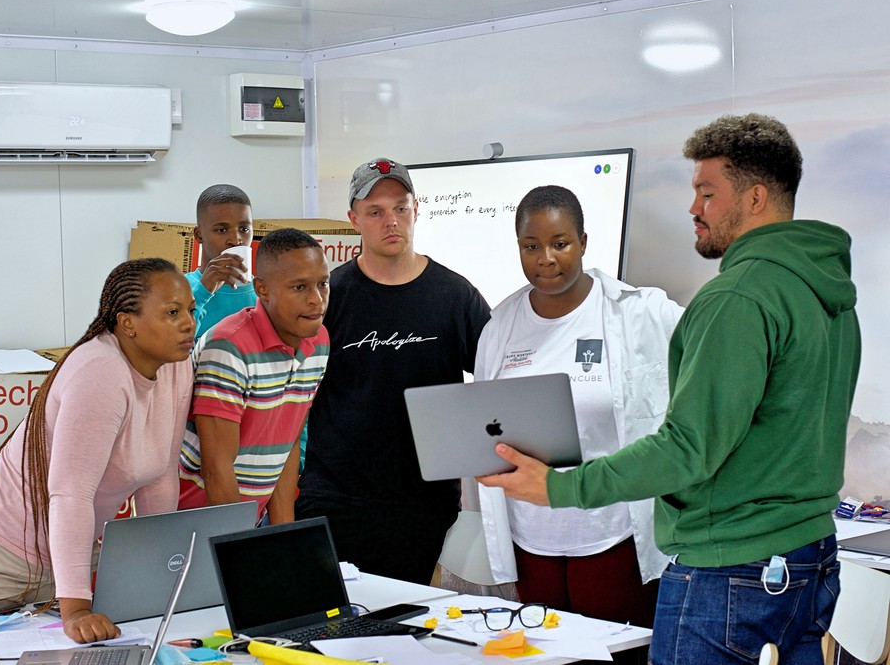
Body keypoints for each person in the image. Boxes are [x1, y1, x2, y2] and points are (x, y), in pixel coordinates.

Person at [480, 113, 861, 665]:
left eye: (707, 193)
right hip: (808, 555)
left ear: (754, 199)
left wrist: (562, 488)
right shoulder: (826, 292)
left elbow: (688, 448)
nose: (693, 208)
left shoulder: (736, 299)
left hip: (733, 563)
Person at [0, 258, 196, 644]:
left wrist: (158, 577)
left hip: (53, 558)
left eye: (191, 311)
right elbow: (71, 494)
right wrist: (76, 608)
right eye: (172, 313)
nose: (189, 323)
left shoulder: (176, 365)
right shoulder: (100, 372)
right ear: (127, 322)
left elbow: (161, 474)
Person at [476, 185, 683, 631]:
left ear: (584, 243)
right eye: (531, 246)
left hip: (613, 534)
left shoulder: (640, 312)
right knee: (547, 658)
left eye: (560, 243)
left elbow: (707, 367)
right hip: (532, 539)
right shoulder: (501, 327)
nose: (545, 258)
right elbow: (486, 423)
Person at [296, 157, 492, 585]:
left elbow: (497, 379)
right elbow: (293, 393)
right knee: (334, 629)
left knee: (408, 629)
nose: (391, 221)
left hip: (424, 502)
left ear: (416, 211)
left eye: (401, 208)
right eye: (376, 211)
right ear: (354, 220)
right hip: (335, 496)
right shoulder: (330, 295)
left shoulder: (455, 295)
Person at [178, 228, 330, 524]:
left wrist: (283, 536)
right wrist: (242, 551)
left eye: (322, 283)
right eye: (299, 287)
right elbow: (216, 468)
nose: (316, 299)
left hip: (248, 517)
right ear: (261, 289)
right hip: (191, 518)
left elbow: (287, 448)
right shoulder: (229, 348)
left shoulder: (319, 341)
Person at [187, 184, 256, 338]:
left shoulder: (265, 293)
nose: (236, 240)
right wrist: (203, 291)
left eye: (244, 229)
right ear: (199, 235)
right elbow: (170, 347)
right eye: (221, 230)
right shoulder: (179, 289)